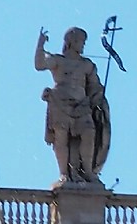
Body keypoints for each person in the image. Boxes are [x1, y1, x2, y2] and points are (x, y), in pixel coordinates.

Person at [38, 26, 111, 188]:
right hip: (60, 103)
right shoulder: (58, 61)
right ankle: (64, 173)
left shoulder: (87, 65)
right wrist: (40, 45)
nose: (83, 45)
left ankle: (87, 171)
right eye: (80, 42)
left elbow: (95, 87)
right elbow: (40, 64)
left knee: (89, 132)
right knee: (61, 138)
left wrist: (98, 95)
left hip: (82, 106)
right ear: (71, 42)